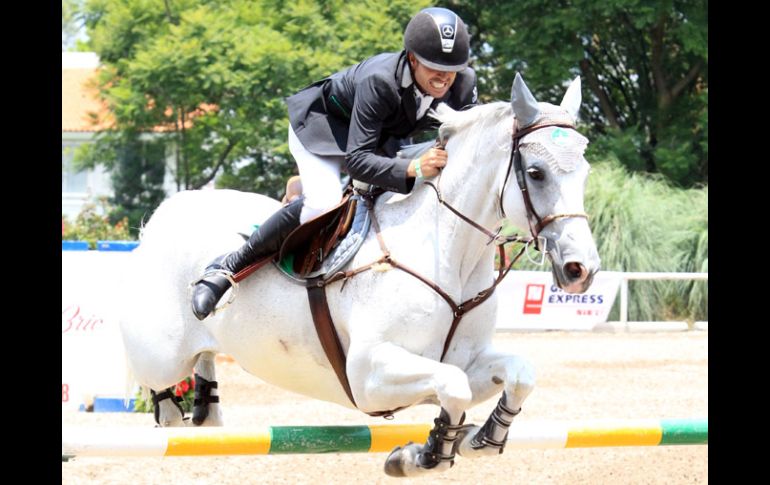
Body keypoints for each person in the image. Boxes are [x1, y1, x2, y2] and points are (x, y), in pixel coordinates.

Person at [191, 7, 478, 320]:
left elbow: (465, 143)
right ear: (411, 59)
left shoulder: (462, 85)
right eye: (434, 66)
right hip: (322, 130)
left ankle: (311, 188)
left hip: (380, 137)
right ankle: (227, 267)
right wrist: (413, 168)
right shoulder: (380, 81)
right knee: (323, 202)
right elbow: (357, 160)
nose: (444, 77)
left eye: (451, 68)